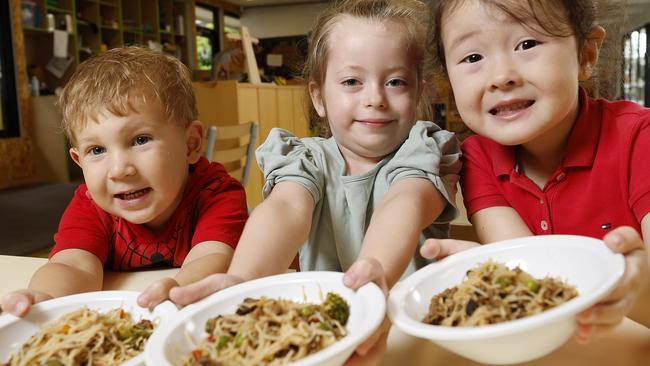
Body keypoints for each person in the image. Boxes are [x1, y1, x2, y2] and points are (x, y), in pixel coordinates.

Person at [170, 0, 461, 363]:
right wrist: (242, 280)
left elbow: (405, 202)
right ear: (319, 97)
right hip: (324, 340)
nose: (375, 98)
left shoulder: (425, 149)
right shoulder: (305, 158)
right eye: (352, 81)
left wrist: (374, 273)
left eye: (396, 82)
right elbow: (286, 207)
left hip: (414, 337)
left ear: (418, 94)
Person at [421, 0, 649, 343]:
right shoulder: (477, 159)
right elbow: (538, 282)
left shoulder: (639, 138)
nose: (501, 77)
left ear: (585, 54)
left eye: (526, 44)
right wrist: (492, 275)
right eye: (472, 58)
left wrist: (638, 284)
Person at [0, 47, 249, 316]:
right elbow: (72, 265)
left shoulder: (216, 193)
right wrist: (47, 302)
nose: (119, 170)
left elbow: (212, 257)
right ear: (78, 160)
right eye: (96, 150)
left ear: (191, 144)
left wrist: (177, 289)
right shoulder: (91, 206)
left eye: (140, 140)